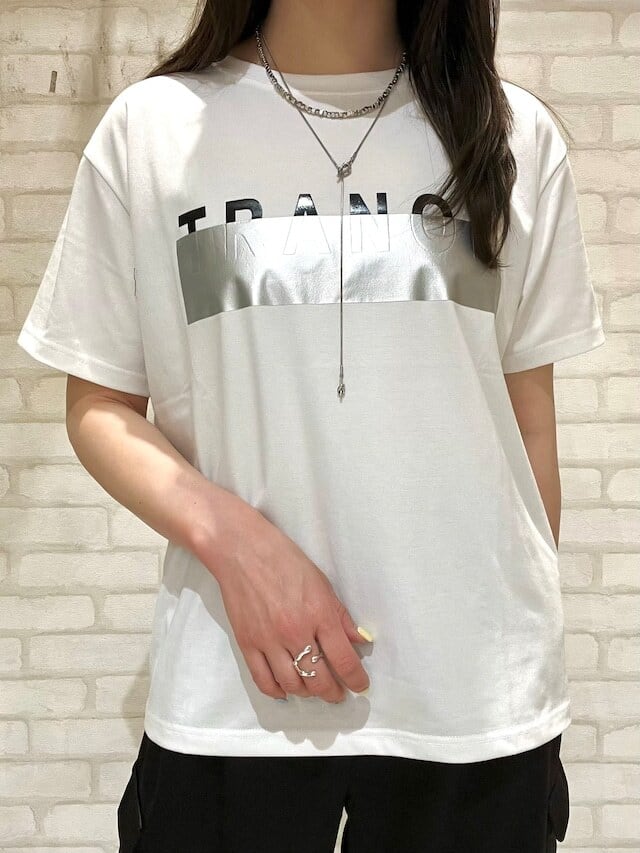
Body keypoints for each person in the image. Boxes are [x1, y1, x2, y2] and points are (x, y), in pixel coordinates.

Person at [17, 0, 605, 850]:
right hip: (234, 698)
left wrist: (516, 659)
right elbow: (100, 405)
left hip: (476, 713)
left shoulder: (512, 135)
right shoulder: (152, 131)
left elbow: (528, 428)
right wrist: (237, 544)